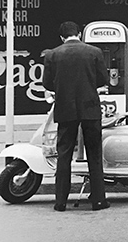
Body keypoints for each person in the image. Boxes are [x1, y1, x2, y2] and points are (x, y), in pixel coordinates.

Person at [42, 21, 110, 212]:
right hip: (90, 108)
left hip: (65, 109)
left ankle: (61, 202)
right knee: (94, 154)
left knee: (64, 155)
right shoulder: (94, 52)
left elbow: (47, 83)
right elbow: (103, 79)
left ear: (62, 37)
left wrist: (62, 89)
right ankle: (98, 201)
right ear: (79, 34)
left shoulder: (52, 55)